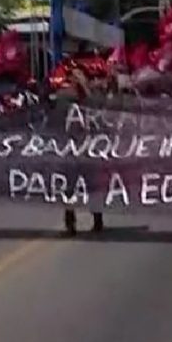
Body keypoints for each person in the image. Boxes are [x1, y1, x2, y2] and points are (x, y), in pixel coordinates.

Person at [62, 68, 103, 236]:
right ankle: (70, 223)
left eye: (79, 76)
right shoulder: (63, 98)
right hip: (70, 151)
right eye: (73, 77)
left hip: (88, 151)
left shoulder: (90, 101)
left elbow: (98, 112)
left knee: (92, 187)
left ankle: (97, 219)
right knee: (69, 188)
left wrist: (85, 86)